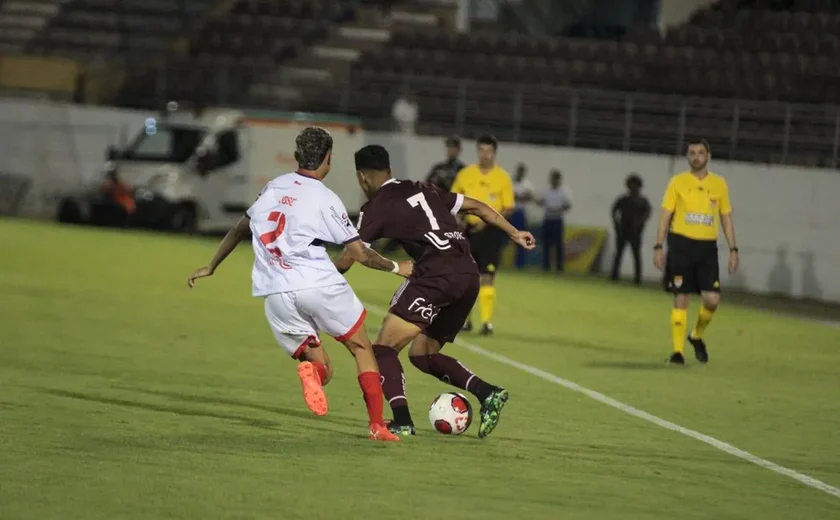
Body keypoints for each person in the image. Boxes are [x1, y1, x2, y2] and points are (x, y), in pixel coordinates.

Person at [186, 127, 410, 441]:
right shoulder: (325, 198)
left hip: (276, 293)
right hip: (316, 282)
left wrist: (212, 265)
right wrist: (396, 266)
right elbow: (359, 253)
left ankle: (312, 373)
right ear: (328, 160)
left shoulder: (273, 188)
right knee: (361, 347)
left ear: (296, 156)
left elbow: (241, 227)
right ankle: (377, 426)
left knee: (325, 371)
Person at [333, 145, 535, 438]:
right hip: (468, 274)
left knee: (383, 349)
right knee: (423, 354)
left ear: (363, 178)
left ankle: (402, 421)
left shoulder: (376, 207)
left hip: (435, 276)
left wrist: (325, 272)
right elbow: (478, 207)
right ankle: (487, 392)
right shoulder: (426, 188)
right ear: (390, 171)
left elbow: (351, 256)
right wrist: (514, 232)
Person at [653, 138, 739, 365]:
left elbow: (726, 217)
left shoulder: (719, 184)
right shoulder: (677, 182)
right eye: (691, 153)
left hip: (707, 249)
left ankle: (696, 335)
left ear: (708, 156)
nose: (696, 157)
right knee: (681, 297)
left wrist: (733, 249)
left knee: (712, 299)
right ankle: (678, 352)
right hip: (681, 245)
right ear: (687, 156)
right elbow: (665, 215)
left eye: (700, 152)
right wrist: (659, 245)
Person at [450, 134, 515, 335]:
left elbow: (508, 207)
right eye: (482, 150)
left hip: (490, 234)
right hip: (467, 232)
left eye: (489, 151)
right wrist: (458, 219)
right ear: (477, 151)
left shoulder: (502, 177)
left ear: (494, 153)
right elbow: (453, 199)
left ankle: (486, 322)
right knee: (465, 276)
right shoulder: (466, 174)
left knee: (487, 275)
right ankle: (465, 321)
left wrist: (488, 221)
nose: (485, 155)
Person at [610, 173, 651, 284]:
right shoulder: (623, 199)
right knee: (618, 254)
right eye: (630, 185)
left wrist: (640, 223)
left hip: (635, 231)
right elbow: (614, 210)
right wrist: (616, 224)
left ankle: (637, 278)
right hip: (623, 229)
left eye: (634, 185)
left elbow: (647, 213)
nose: (632, 188)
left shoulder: (642, 201)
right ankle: (614, 275)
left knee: (636, 255)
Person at [537, 170, 572, 272]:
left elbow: (568, 205)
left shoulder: (564, 191)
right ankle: (546, 265)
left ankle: (559, 266)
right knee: (546, 244)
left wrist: (558, 209)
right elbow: (541, 201)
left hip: (557, 219)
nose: (552, 181)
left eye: (554, 179)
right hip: (547, 219)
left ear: (558, 179)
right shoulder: (547, 190)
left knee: (558, 244)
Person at [511, 163, 535, 269]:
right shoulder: (510, 181)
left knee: (521, 238)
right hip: (510, 211)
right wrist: (520, 196)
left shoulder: (527, 185)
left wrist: (518, 197)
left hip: (520, 212)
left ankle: (520, 264)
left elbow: (530, 197)